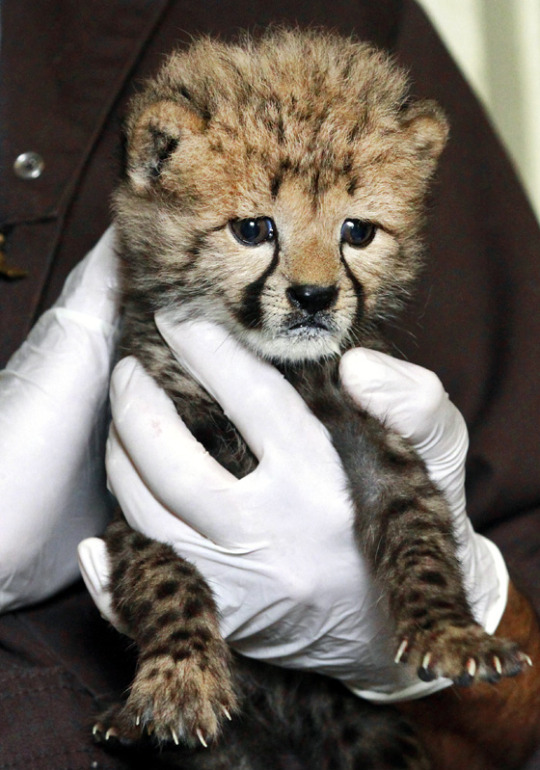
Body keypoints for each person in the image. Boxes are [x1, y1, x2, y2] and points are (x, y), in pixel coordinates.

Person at [1, 1, 539, 769]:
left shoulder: (362, 19)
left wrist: (455, 609)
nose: (317, 280)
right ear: (156, 162)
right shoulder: (153, 330)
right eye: (256, 230)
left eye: (357, 233)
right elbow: (144, 534)